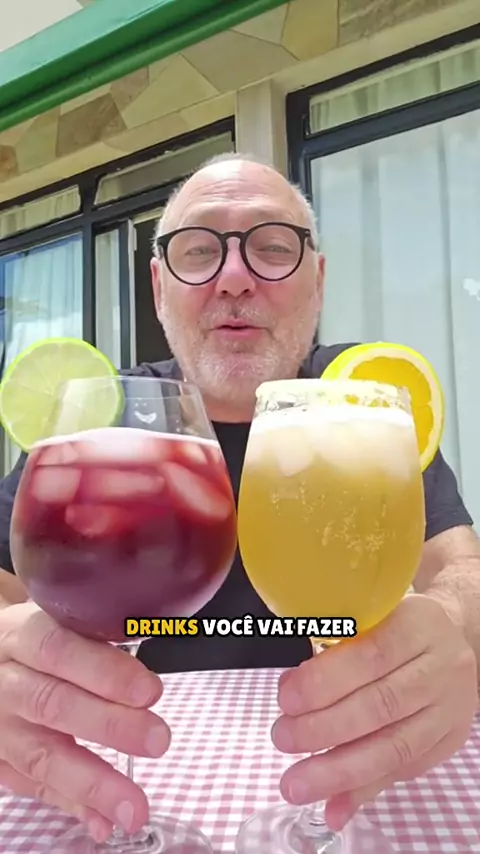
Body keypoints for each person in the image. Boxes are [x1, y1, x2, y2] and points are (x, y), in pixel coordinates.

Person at [0, 153, 478, 843]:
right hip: (132, 773)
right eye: (198, 251)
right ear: (159, 287)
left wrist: (455, 631)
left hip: (351, 773)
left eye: (273, 248)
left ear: (318, 280)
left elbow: (462, 571)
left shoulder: (361, 415)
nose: (234, 278)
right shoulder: (99, 424)